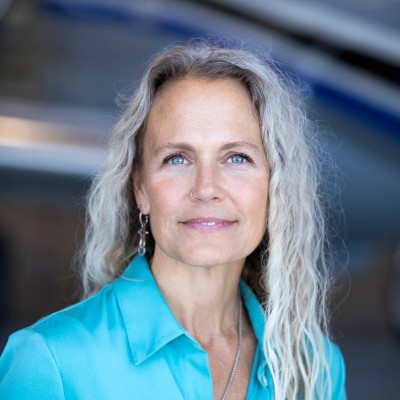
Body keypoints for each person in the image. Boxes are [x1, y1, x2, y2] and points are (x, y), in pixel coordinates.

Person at [0, 42, 346, 399]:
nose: (206, 188)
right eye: (177, 159)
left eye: (237, 158)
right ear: (140, 188)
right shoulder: (51, 362)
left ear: (275, 186)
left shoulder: (314, 368)